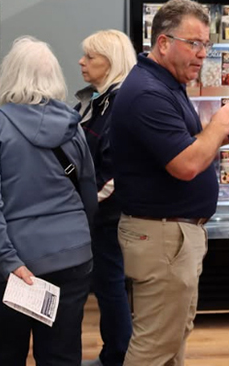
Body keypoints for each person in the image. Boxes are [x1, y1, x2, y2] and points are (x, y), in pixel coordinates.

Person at [111, 0, 229, 366]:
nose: (203, 54)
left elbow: (180, 146)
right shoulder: (148, 93)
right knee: (154, 347)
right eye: (195, 43)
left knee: (172, 340)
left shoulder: (165, 83)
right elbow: (186, 164)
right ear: (163, 43)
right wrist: (219, 126)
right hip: (162, 238)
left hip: (172, 237)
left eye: (207, 44)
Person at [0, 36, 97, 366]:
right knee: (62, 356)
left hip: (9, 268)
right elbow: (87, 193)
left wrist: (7, 260)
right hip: (70, 259)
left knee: (5, 354)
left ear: (9, 75)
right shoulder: (73, 125)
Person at [76, 30, 137, 366]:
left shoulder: (117, 104)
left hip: (109, 214)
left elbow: (113, 173)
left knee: (110, 286)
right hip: (103, 212)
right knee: (108, 286)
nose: (82, 63)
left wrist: (81, 205)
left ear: (110, 63)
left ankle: (116, 355)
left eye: (90, 57)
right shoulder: (100, 99)